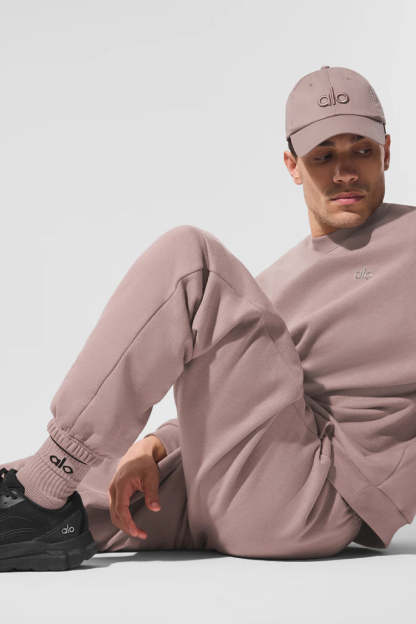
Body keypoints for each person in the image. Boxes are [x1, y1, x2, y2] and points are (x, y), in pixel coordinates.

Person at [1, 65, 412, 572]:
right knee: (44, 490)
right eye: (323, 156)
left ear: (386, 152)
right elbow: (244, 402)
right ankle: (44, 499)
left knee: (189, 256)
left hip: (310, 497)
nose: (345, 172)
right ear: (292, 165)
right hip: (229, 488)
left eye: (362, 151)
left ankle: (46, 483)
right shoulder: (267, 287)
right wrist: (153, 445)